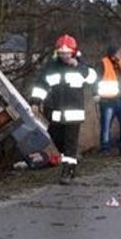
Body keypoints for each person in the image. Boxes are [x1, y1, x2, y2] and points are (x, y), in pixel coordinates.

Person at [30, 34, 98, 183]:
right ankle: (71, 157)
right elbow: (41, 84)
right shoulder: (52, 67)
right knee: (56, 139)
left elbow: (93, 78)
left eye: (67, 53)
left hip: (74, 114)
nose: (64, 56)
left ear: (73, 52)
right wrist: (35, 101)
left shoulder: (80, 65)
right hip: (56, 112)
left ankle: (67, 171)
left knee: (70, 143)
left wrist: (79, 67)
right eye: (61, 53)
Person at [97, 45, 121, 158]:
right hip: (106, 100)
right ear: (113, 53)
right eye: (118, 53)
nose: (120, 55)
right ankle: (105, 149)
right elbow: (96, 81)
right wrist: (95, 94)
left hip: (120, 99)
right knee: (106, 126)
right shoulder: (103, 64)